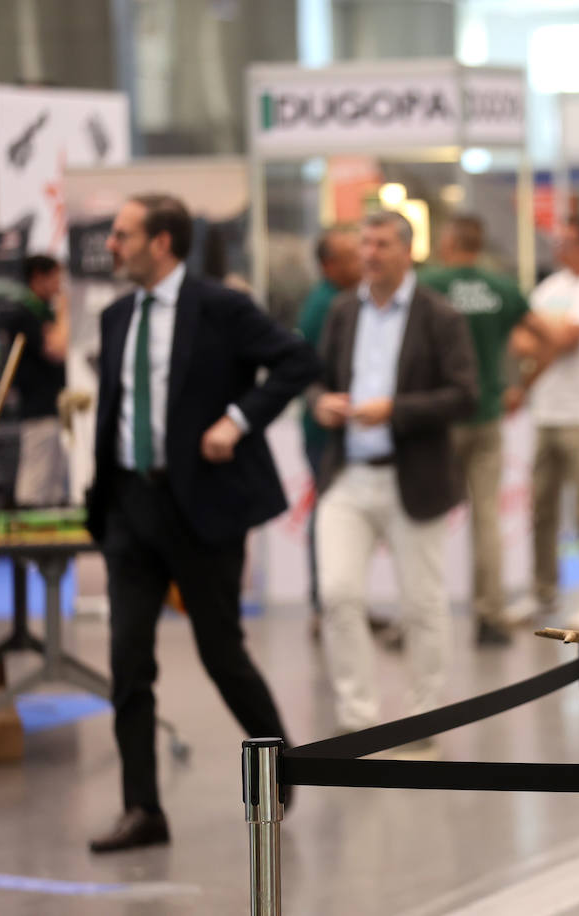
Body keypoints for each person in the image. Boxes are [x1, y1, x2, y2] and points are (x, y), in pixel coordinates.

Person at [85, 194, 319, 853]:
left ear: (161, 243)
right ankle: (142, 809)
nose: (111, 245)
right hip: (130, 505)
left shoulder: (220, 307)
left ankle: (279, 766)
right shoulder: (116, 316)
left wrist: (237, 422)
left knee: (221, 653)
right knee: (128, 659)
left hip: (202, 508)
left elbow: (299, 362)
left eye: (122, 234)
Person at [307, 210, 477, 750]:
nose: (369, 253)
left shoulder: (439, 315)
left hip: (415, 478)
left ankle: (424, 719)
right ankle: (356, 716)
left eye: (381, 244)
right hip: (348, 476)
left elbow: (465, 395)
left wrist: (395, 410)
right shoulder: (341, 311)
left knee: (422, 604)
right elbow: (315, 379)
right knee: (337, 594)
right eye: (364, 243)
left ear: (407, 251)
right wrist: (320, 403)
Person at [418, 214, 552, 647]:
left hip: (440, 417)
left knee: (426, 517)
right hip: (487, 413)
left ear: (449, 241)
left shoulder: (429, 284)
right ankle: (490, 615)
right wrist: (522, 384)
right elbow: (546, 336)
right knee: (487, 519)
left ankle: (422, 615)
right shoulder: (502, 287)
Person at [507, 214, 579, 631]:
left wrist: (544, 336)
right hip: (547, 413)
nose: (559, 249)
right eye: (558, 242)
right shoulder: (550, 288)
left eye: (568, 242)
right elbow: (519, 340)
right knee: (541, 509)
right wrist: (547, 339)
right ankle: (543, 593)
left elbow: (564, 338)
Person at [296, 225, 361, 639]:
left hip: (339, 430)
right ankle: (325, 606)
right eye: (351, 256)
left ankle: (340, 605)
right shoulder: (325, 306)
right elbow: (312, 372)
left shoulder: (343, 299)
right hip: (326, 434)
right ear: (329, 265)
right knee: (328, 515)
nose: (362, 262)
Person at [6, 254, 70, 506]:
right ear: (38, 278)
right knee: (35, 482)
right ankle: (25, 526)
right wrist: (65, 310)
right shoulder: (25, 314)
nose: (58, 285)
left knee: (54, 484)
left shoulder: (42, 312)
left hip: (54, 408)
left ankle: (51, 529)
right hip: (38, 409)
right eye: (54, 278)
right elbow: (57, 348)